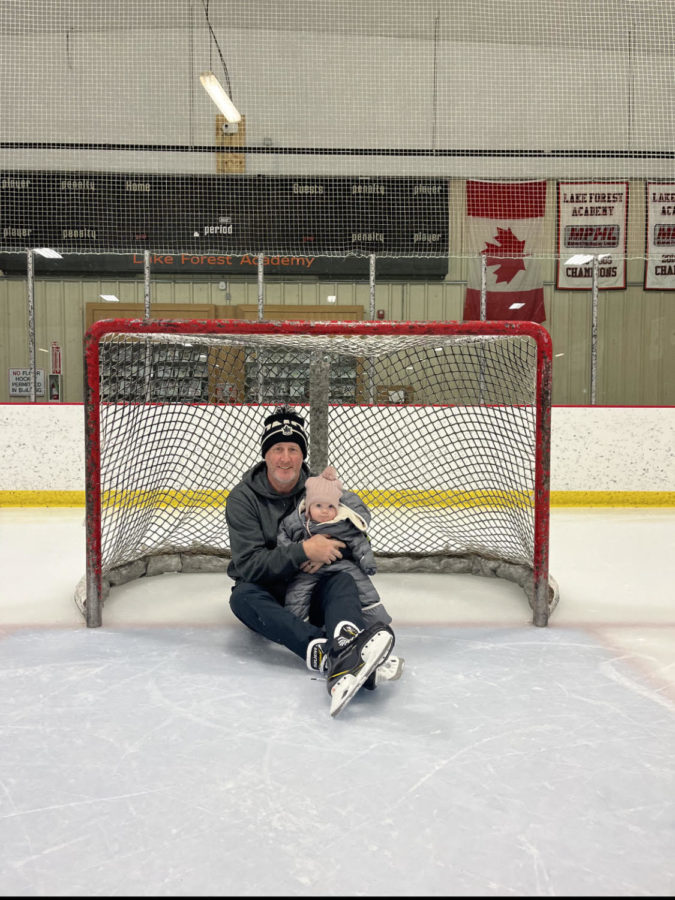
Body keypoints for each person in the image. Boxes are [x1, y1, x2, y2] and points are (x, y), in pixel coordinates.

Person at [225, 405, 401, 716]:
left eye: (293, 449)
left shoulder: (320, 490)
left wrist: (330, 551)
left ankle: (346, 638)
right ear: (265, 454)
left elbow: (353, 531)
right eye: (278, 449)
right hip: (270, 592)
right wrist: (304, 551)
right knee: (242, 597)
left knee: (343, 580)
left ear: (302, 454)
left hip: (312, 587)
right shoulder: (243, 498)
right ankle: (332, 652)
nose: (286, 458)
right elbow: (249, 565)